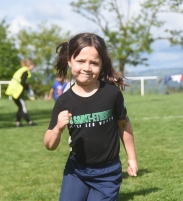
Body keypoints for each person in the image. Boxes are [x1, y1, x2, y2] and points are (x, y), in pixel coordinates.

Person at [44, 32, 138, 201]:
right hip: (76, 171)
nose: (87, 68)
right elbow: (49, 144)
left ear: (102, 65)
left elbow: (124, 126)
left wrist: (132, 158)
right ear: (69, 61)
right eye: (80, 61)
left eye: (94, 63)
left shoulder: (111, 94)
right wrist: (58, 128)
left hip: (107, 174)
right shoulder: (64, 101)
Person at [5, 58, 36, 127]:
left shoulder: (21, 70)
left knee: (20, 107)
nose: (33, 67)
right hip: (17, 91)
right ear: (30, 65)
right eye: (33, 65)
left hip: (13, 90)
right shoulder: (25, 71)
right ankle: (29, 122)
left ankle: (18, 122)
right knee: (23, 107)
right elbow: (22, 82)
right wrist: (27, 87)